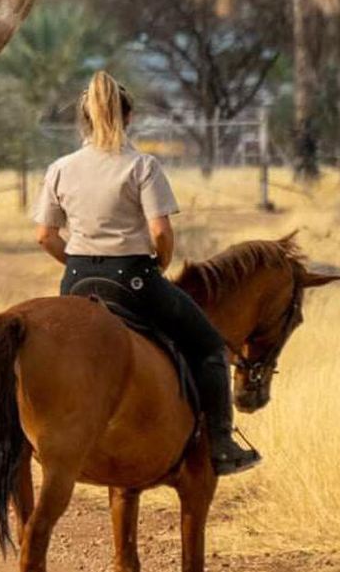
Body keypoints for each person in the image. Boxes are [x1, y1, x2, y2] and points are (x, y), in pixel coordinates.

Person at [31, 71, 259, 476]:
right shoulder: (142, 166)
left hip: (76, 282)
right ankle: (221, 444)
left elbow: (45, 235)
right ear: (130, 117)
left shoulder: (60, 168)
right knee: (208, 345)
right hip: (133, 280)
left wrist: (78, 262)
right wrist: (160, 264)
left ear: (83, 118)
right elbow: (160, 232)